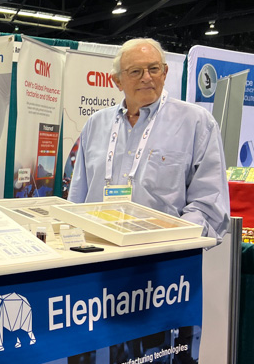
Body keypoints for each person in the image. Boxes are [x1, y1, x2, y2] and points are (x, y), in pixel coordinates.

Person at [68, 38, 229, 242]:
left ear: (165, 73)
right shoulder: (96, 124)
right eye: (135, 71)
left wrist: (175, 236)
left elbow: (209, 201)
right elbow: (78, 196)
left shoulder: (197, 123)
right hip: (98, 248)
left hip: (164, 252)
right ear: (117, 81)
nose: (146, 78)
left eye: (153, 69)